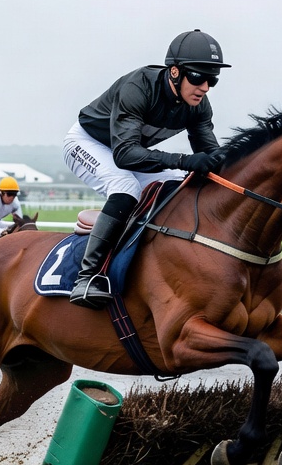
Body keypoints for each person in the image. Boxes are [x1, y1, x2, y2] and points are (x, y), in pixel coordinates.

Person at [62, 29, 231, 308]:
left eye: (212, 79)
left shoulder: (199, 105)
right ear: (174, 72)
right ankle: (88, 277)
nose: (205, 87)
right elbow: (125, 155)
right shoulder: (138, 87)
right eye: (199, 77)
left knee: (182, 184)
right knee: (126, 188)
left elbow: (210, 155)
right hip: (89, 143)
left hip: (129, 151)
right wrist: (183, 160)